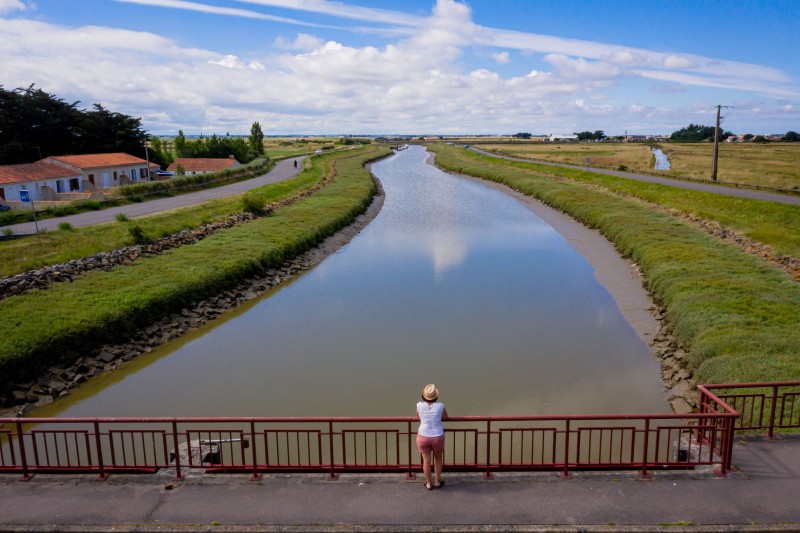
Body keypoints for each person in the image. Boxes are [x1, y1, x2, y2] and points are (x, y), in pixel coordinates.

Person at [415, 383, 448, 490]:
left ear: (424, 396)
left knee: (426, 461)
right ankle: (437, 482)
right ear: (436, 396)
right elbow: (446, 417)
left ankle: (428, 483)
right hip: (437, 436)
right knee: (438, 460)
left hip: (423, 436)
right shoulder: (440, 406)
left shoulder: (419, 405)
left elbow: (418, 417)